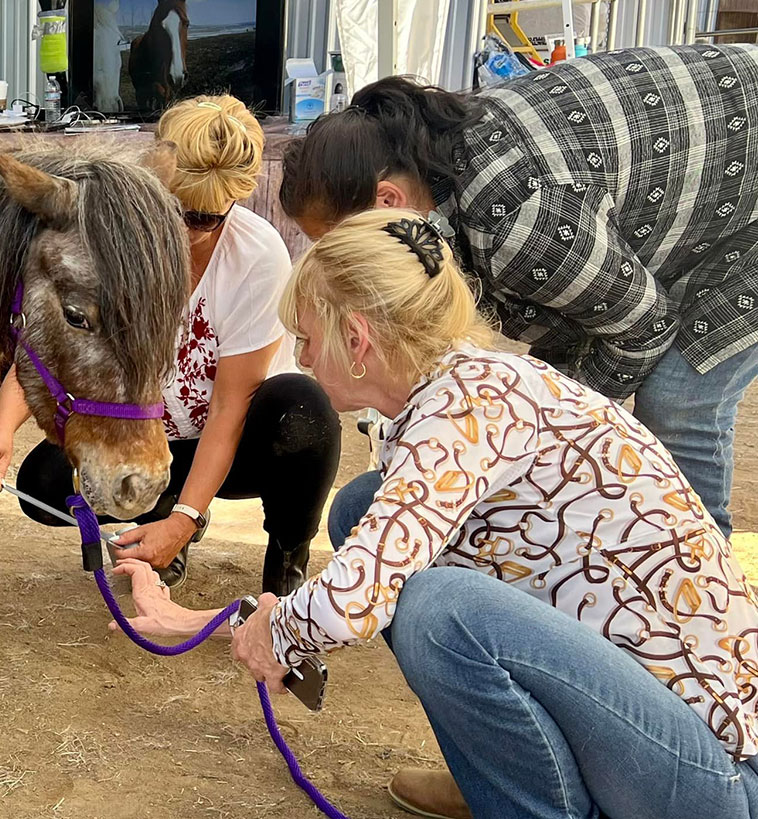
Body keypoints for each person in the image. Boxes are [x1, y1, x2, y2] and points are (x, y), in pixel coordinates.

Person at [110, 209, 758, 819]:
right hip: (661, 728)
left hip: (717, 775)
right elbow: (372, 569)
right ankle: (498, 774)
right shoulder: (458, 386)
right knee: (363, 509)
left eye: (307, 339)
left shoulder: (462, 412)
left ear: (357, 339)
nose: (302, 358)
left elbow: (348, 602)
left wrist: (227, 624)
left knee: (442, 609)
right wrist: (262, 623)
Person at [279, 44, 758, 540]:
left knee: (677, 401)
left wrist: (535, 446)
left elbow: (643, 326)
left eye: (343, 241)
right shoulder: (438, 175)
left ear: (387, 200)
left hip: (747, 192)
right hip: (690, 183)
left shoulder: (516, 217)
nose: (345, 265)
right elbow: (568, 315)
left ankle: (703, 582)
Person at [0, 95, 340, 593]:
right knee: (42, 487)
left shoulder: (257, 254)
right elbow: (55, 341)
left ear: (234, 204)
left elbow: (231, 406)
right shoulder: (115, 241)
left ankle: (285, 557)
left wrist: (183, 520)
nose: (186, 232)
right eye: (173, 210)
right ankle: (165, 506)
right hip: (145, 432)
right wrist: (0, 429)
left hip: (239, 442)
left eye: (205, 219)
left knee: (304, 411)